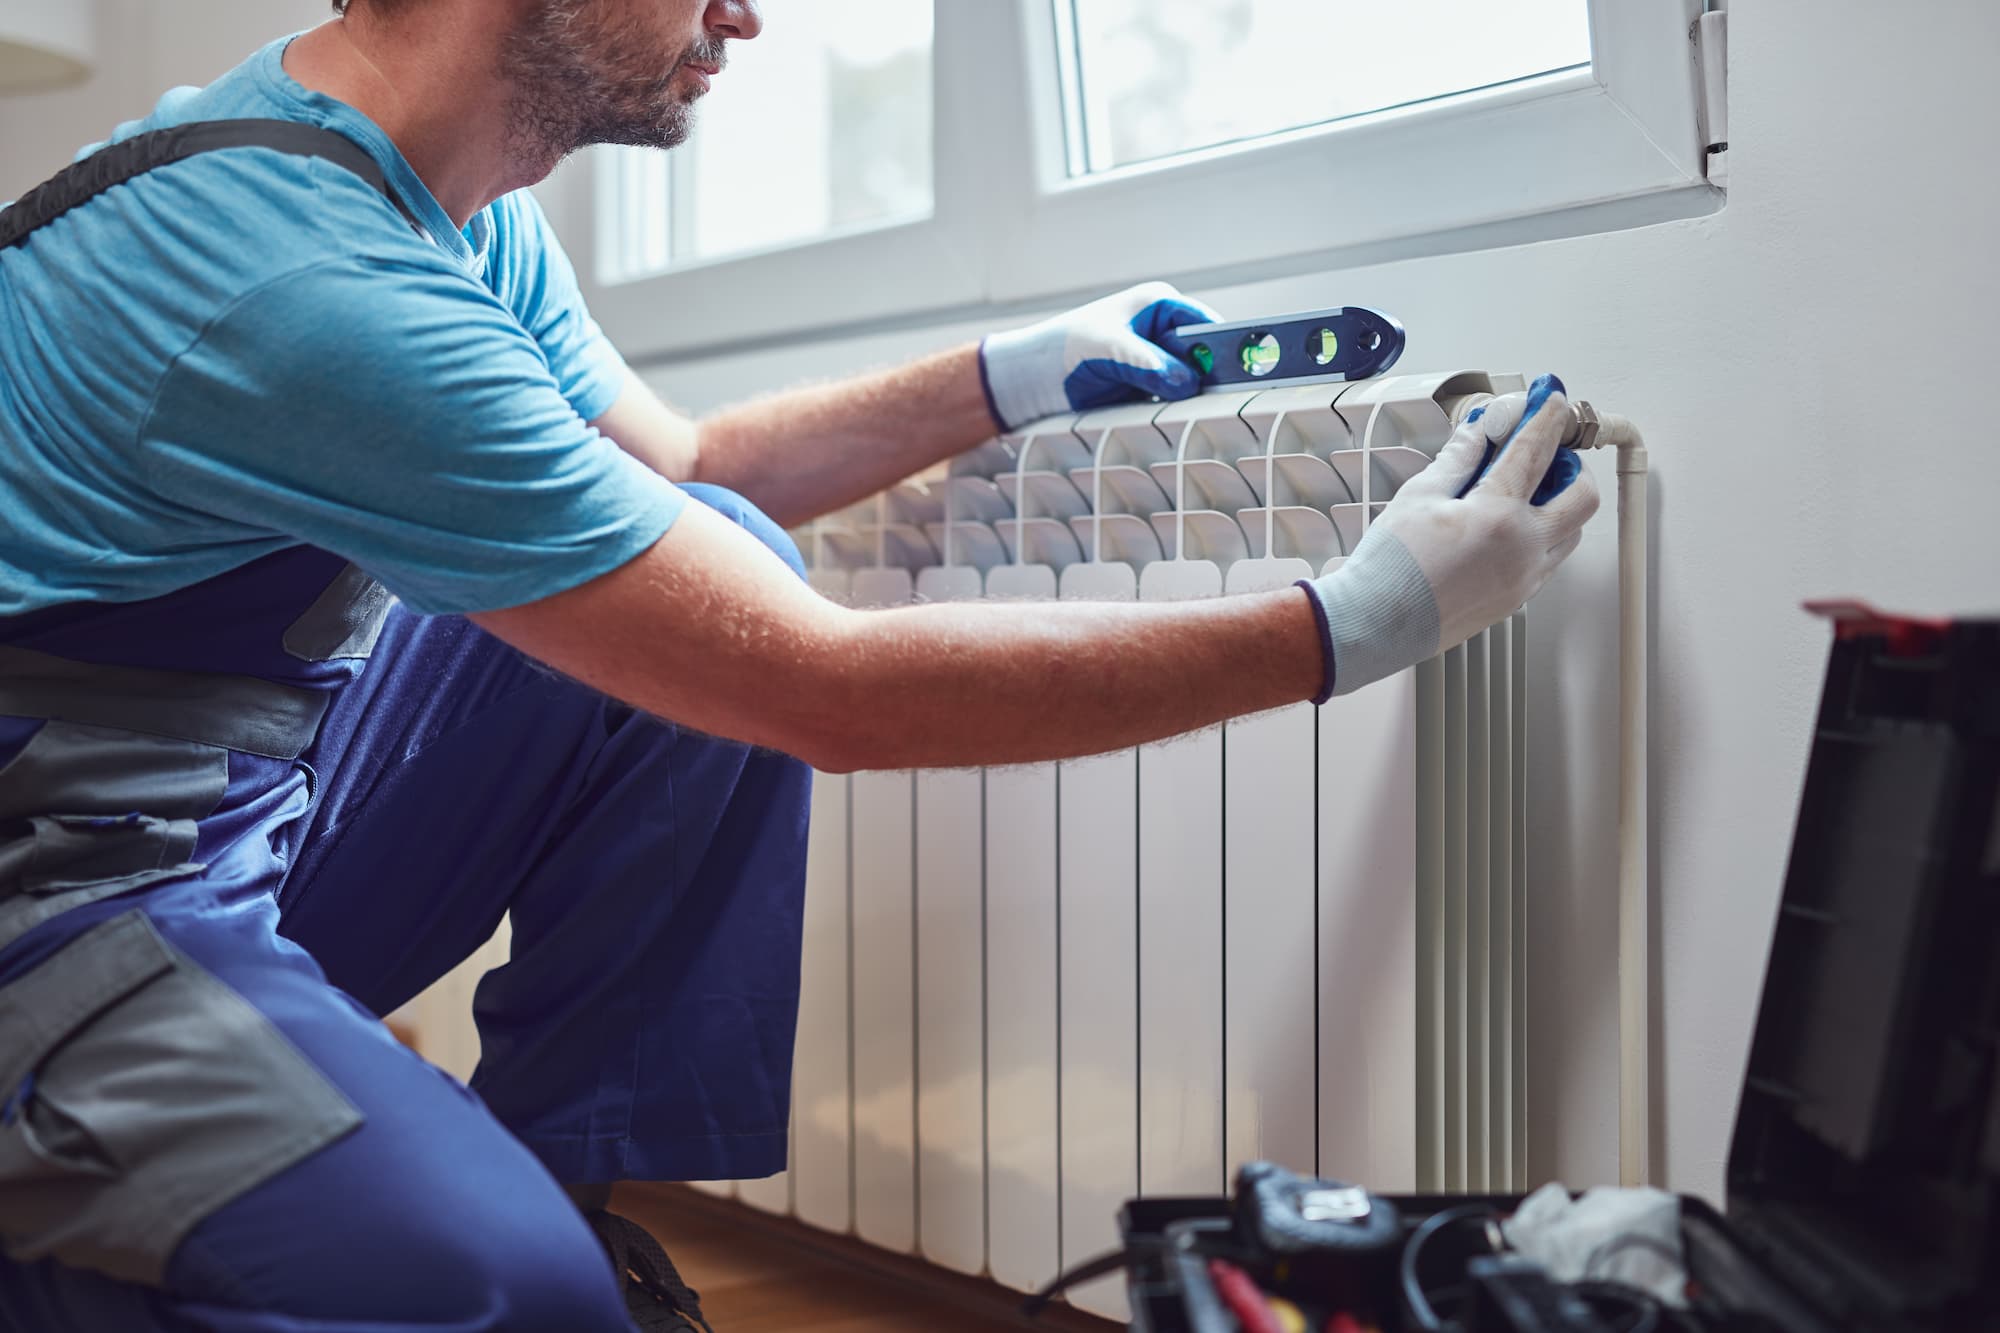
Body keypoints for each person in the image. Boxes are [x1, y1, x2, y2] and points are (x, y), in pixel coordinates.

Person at [0, 0, 1598, 1328]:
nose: (747, 12)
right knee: (501, 1295)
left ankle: (563, 1184)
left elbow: (694, 462)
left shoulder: (450, 208)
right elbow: (821, 689)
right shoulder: (288, 275)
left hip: (225, 819)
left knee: (714, 554)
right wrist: (1354, 621)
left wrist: (1010, 373)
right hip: (48, 905)